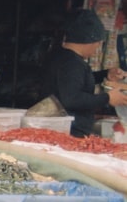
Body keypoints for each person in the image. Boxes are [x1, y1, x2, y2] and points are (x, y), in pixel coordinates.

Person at [44, 8, 127, 137]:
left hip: (66, 130)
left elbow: (74, 82)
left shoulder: (66, 58)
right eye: (98, 43)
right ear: (89, 41)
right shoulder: (71, 63)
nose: (97, 47)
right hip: (69, 133)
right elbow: (72, 99)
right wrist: (108, 98)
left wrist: (105, 74)